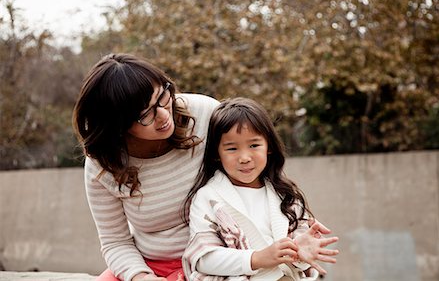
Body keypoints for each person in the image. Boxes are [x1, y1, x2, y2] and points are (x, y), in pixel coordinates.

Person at [72, 53, 220, 281]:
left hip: (217, 256)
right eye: (145, 114)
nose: (163, 115)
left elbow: (262, 175)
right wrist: (142, 277)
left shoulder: (205, 113)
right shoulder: (103, 164)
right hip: (150, 264)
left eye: (162, 96)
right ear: (117, 125)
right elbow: (115, 241)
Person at [182, 97, 339, 281]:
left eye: (254, 145)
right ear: (217, 154)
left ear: (269, 147)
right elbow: (203, 259)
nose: (245, 157)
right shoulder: (208, 197)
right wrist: (256, 259)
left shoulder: (285, 194)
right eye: (232, 148)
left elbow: (300, 261)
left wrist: (300, 253)